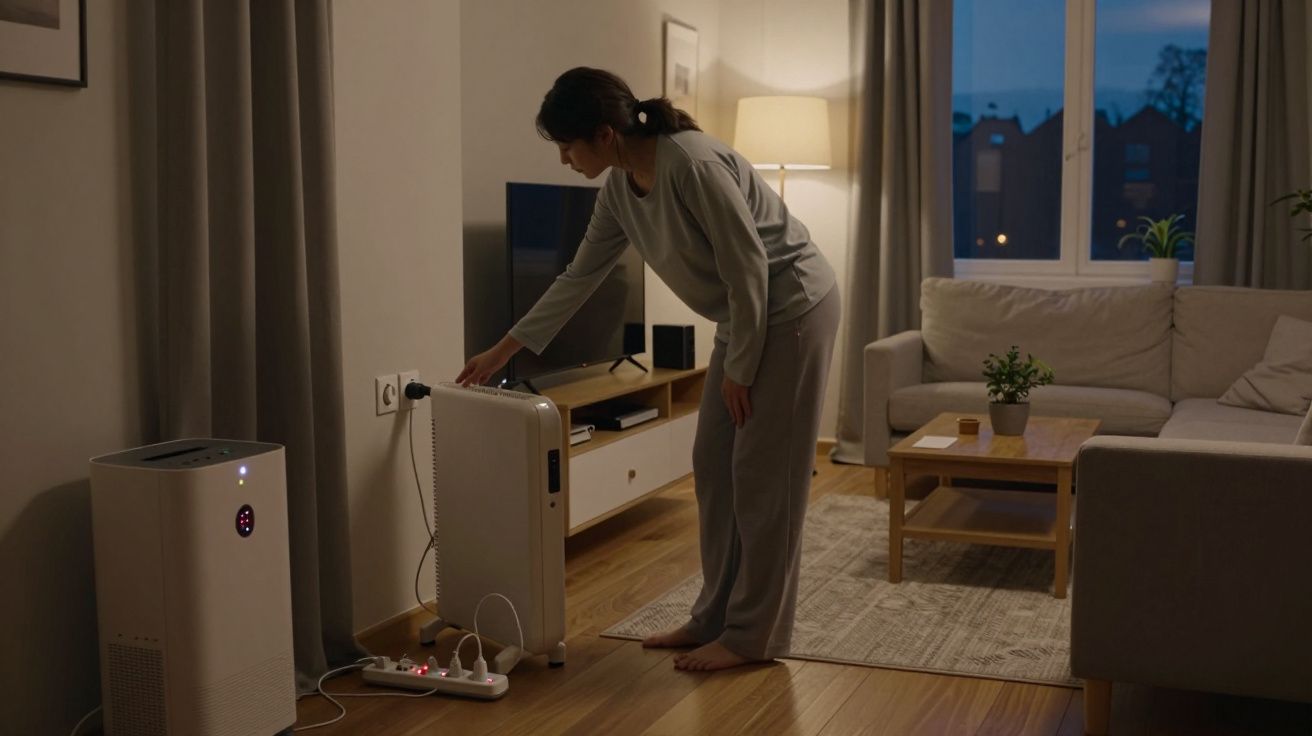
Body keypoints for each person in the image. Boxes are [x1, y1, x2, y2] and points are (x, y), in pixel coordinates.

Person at [457, 67, 840, 672]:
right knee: (713, 463)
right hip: (746, 317)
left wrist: (740, 368)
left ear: (604, 134)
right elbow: (579, 277)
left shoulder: (692, 165)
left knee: (765, 476)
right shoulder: (618, 189)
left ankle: (752, 636)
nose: (563, 159)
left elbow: (748, 270)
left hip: (791, 307)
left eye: (566, 145)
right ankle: (714, 616)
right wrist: (504, 350)